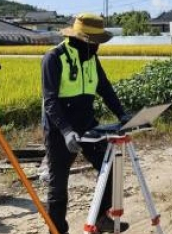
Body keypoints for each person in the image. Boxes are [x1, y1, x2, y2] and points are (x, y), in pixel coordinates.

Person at [41, 13, 132, 234]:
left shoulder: (92, 58)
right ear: (82, 39)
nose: (98, 47)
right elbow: (50, 100)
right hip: (59, 129)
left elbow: (105, 88)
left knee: (109, 168)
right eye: (95, 42)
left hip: (87, 124)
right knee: (58, 186)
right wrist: (65, 131)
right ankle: (57, 230)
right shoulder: (54, 58)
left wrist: (122, 114)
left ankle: (101, 217)